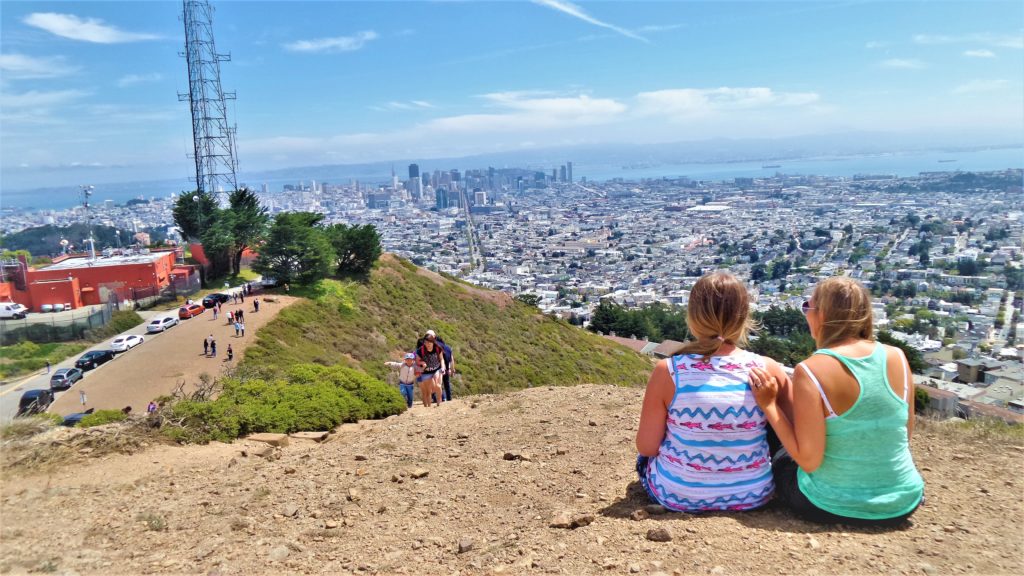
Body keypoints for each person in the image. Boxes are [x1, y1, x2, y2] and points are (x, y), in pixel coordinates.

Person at [748, 277, 924, 526]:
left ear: (822, 315)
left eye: (808, 307)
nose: (806, 313)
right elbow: (903, 435)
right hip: (903, 501)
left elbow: (808, 460)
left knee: (782, 454)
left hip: (828, 503)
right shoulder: (897, 357)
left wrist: (769, 405)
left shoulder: (811, 370)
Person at [635, 271, 786, 512]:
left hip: (678, 495)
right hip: (753, 494)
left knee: (644, 460)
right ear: (744, 316)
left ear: (693, 318)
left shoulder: (670, 371)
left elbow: (647, 447)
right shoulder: (767, 369)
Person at [416, 330, 446, 408]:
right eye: (425, 343)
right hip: (426, 372)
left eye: (429, 343)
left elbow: (441, 359)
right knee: (428, 391)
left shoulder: (437, 348)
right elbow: (417, 361)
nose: (427, 345)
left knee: (438, 385)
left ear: (433, 342)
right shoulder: (420, 350)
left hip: (437, 369)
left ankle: (439, 403)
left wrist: (443, 367)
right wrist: (422, 363)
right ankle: (427, 407)